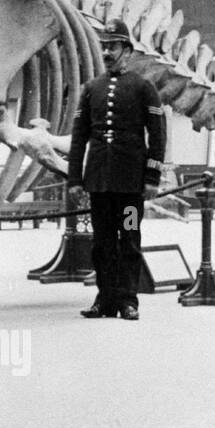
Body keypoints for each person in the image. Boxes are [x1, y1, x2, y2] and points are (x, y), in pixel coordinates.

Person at [66, 19, 167, 320]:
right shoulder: (91, 89)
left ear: (127, 50)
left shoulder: (143, 88)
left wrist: (152, 176)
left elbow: (158, 134)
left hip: (130, 184)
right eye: (104, 46)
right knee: (102, 243)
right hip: (100, 183)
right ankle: (105, 299)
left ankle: (129, 300)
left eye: (113, 46)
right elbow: (79, 136)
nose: (107, 52)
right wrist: (75, 179)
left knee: (130, 237)